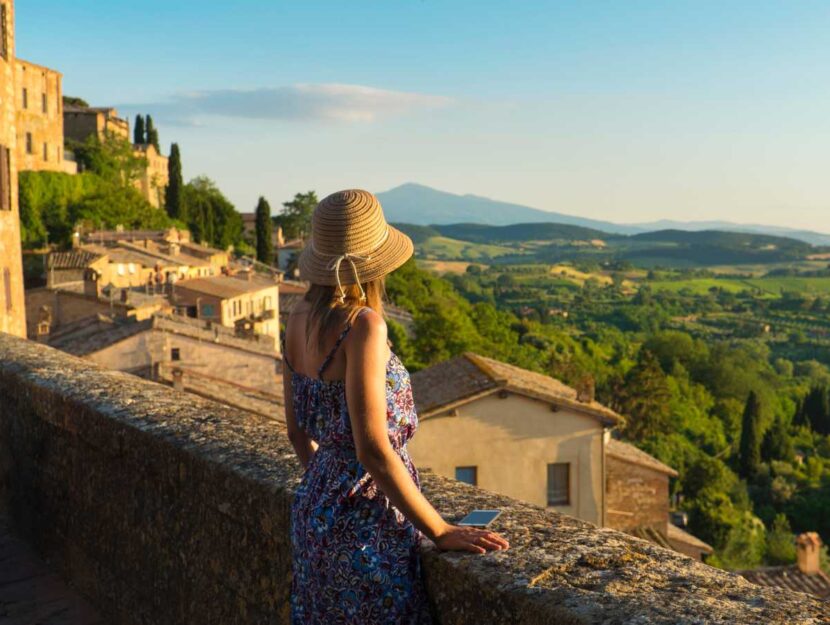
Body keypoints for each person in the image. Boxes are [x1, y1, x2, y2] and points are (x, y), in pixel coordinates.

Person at [283, 190, 509, 624]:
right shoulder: (362, 325)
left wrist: (326, 487)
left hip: (312, 513)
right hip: (367, 525)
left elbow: (297, 432)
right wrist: (440, 530)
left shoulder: (296, 319)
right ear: (374, 264)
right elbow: (372, 450)